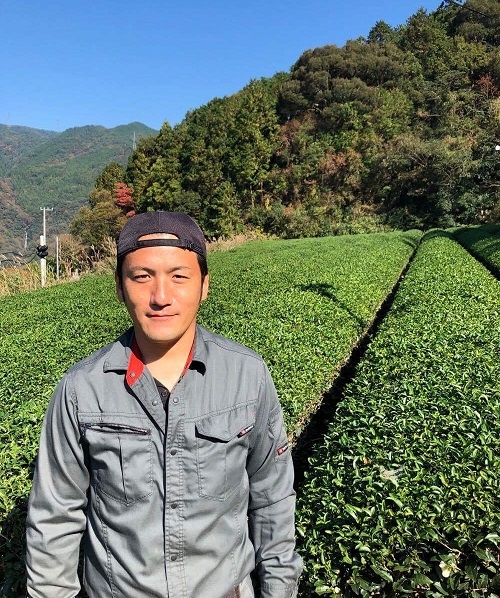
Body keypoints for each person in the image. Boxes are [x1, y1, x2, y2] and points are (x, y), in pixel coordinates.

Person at [26, 211, 302, 598]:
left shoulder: (247, 376)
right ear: (120, 287)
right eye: (142, 277)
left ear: (204, 285)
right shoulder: (80, 390)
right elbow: (54, 518)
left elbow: (272, 498)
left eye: (179, 276)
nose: (160, 296)